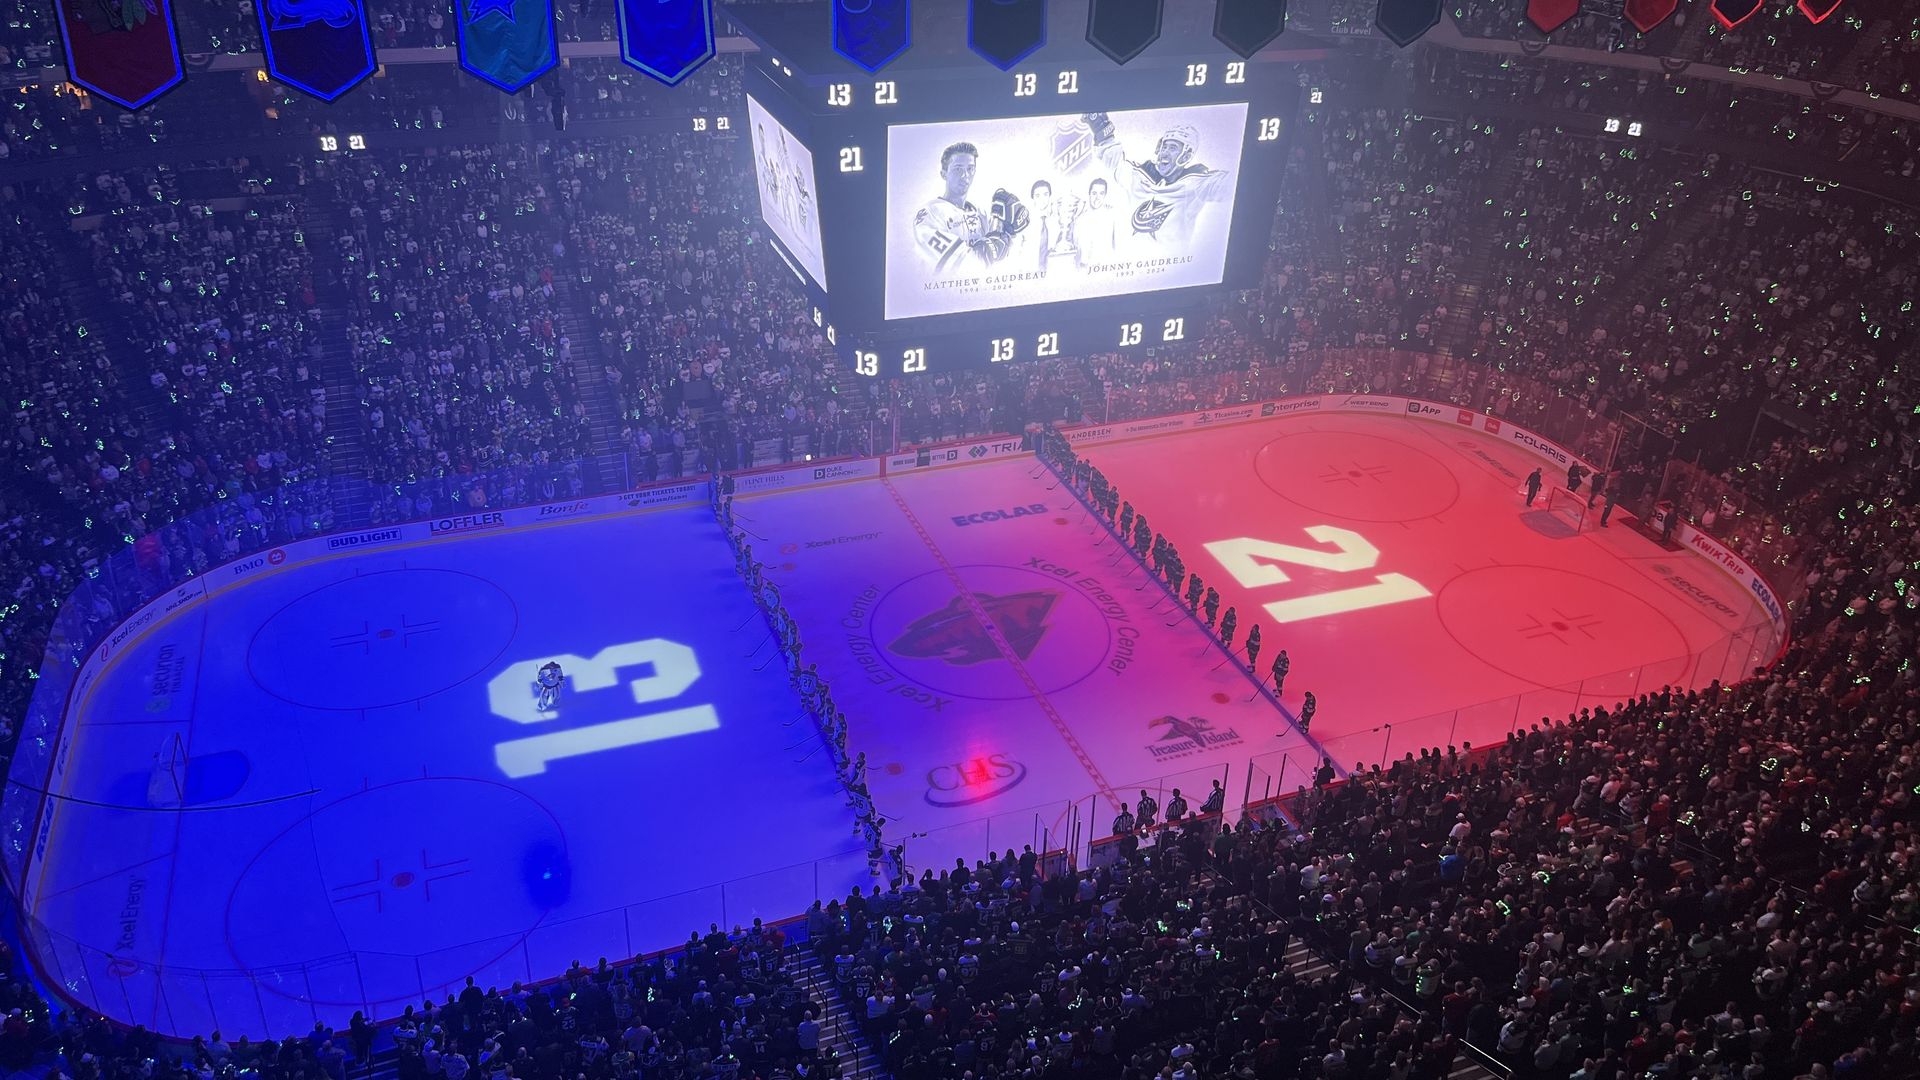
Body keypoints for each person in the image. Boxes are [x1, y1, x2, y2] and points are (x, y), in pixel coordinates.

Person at [1082, 112, 1234, 250]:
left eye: (1172, 148)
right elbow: (1113, 158)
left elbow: (1230, 185)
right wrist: (1100, 127)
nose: (1164, 153)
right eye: (1164, 147)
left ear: (1186, 156)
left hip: (1174, 272)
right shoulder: (1140, 177)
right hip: (1131, 266)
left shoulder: (1197, 183)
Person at [913, 142, 1022, 277]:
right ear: (944, 174)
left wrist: (1010, 229)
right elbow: (961, 268)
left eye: (970, 169)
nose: (965, 175)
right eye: (958, 169)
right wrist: (993, 246)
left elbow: (1003, 259)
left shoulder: (981, 213)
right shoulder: (930, 213)